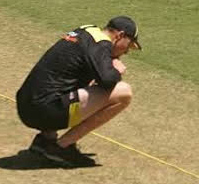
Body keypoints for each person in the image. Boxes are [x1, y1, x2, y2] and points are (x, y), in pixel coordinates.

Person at [16, 16, 140, 165]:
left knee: (71, 82)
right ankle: (61, 147)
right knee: (124, 93)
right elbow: (108, 81)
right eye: (128, 46)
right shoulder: (101, 43)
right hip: (45, 111)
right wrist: (117, 70)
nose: (126, 52)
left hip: (25, 106)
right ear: (120, 36)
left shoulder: (85, 31)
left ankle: (45, 140)